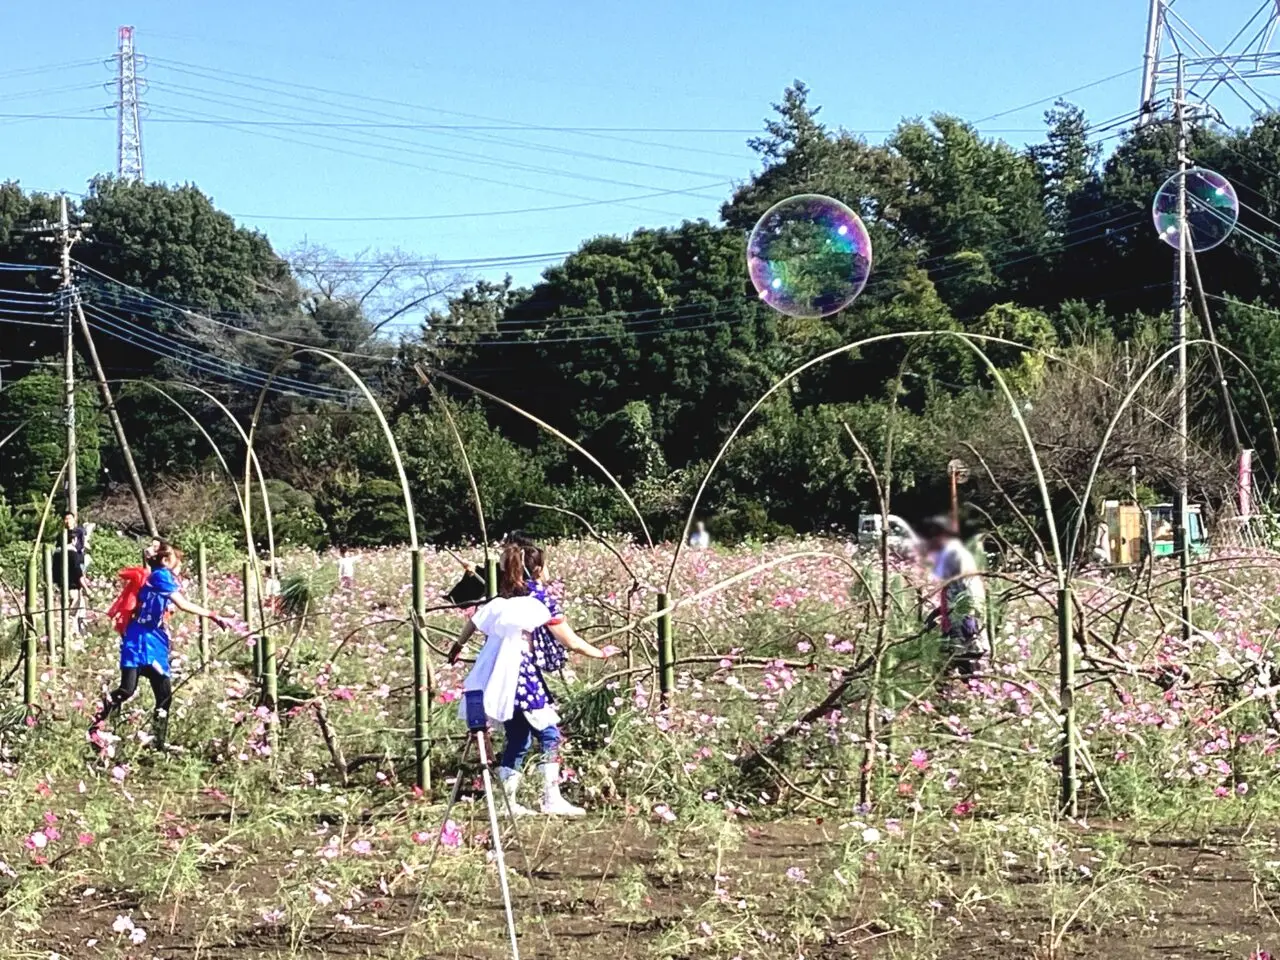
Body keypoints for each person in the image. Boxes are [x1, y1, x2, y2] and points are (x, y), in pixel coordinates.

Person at [448, 541, 613, 817]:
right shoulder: (538, 598)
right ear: (536, 568)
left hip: (500, 677)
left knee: (518, 737)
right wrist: (599, 653)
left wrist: (458, 645)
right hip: (522, 674)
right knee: (549, 733)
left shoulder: (505, 595)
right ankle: (551, 797)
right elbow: (569, 640)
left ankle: (507, 803)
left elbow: (476, 620)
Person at [91, 542, 231, 750]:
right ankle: (98, 725)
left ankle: (159, 743)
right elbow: (183, 604)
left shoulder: (158, 576)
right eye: (177, 559)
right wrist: (212, 615)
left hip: (154, 640)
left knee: (164, 694)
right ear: (166, 561)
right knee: (128, 690)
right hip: (139, 640)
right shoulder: (160, 576)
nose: (180, 564)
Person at [918, 515, 988, 677]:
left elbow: (971, 591)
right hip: (954, 623)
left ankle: (970, 693)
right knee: (950, 666)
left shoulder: (958, 558)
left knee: (967, 666)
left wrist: (969, 618)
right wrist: (938, 612)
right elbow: (952, 592)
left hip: (964, 624)